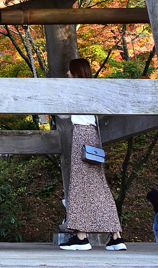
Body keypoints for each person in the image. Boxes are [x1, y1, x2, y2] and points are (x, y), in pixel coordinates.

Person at [59, 59, 126, 252]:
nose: (67, 74)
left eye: (70, 71)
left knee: (81, 184)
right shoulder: (93, 90)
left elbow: (63, 115)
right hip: (93, 136)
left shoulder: (75, 90)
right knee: (98, 186)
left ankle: (81, 238)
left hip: (81, 134)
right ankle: (116, 236)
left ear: (76, 72)